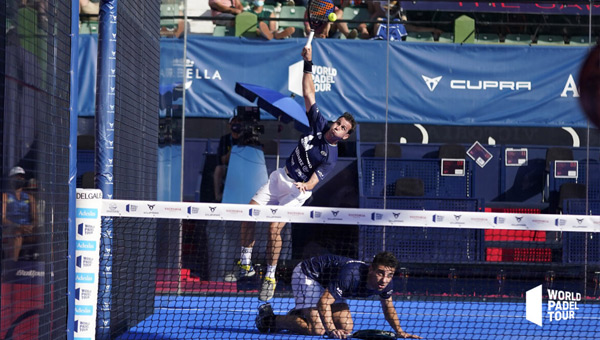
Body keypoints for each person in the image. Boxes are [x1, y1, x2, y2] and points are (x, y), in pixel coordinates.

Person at [237, 44, 357, 302]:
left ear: (345, 135)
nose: (337, 127)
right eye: (338, 122)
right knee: (248, 214)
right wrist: (308, 63)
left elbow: (316, 180)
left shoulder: (330, 155)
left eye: (342, 128)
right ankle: (245, 263)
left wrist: (306, 185)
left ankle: (269, 275)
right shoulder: (319, 124)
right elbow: (308, 92)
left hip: (296, 191)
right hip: (279, 177)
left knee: (273, 229)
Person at [255, 251, 421, 339]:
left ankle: (301, 314)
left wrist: (399, 331)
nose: (384, 279)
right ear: (371, 268)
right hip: (310, 275)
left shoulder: (386, 283)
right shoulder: (351, 275)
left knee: (346, 327)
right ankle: (268, 319)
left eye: (389, 274)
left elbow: (388, 306)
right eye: (380, 273)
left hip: (330, 282)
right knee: (318, 330)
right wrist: (331, 329)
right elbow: (324, 303)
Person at [2, 166, 37, 261]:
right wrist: (18, 226)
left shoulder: (30, 198)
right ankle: (13, 265)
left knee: (46, 234)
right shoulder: (5, 196)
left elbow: (35, 217)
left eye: (21, 177)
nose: (20, 179)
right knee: (17, 235)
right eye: (17, 177)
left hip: (27, 229)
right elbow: (3, 218)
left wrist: (32, 226)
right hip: (12, 229)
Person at [213, 116, 242, 202]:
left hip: (243, 167)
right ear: (229, 125)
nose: (236, 124)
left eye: (238, 122)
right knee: (219, 169)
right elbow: (222, 160)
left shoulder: (246, 139)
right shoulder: (225, 139)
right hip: (228, 167)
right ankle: (218, 196)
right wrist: (234, 150)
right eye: (234, 122)